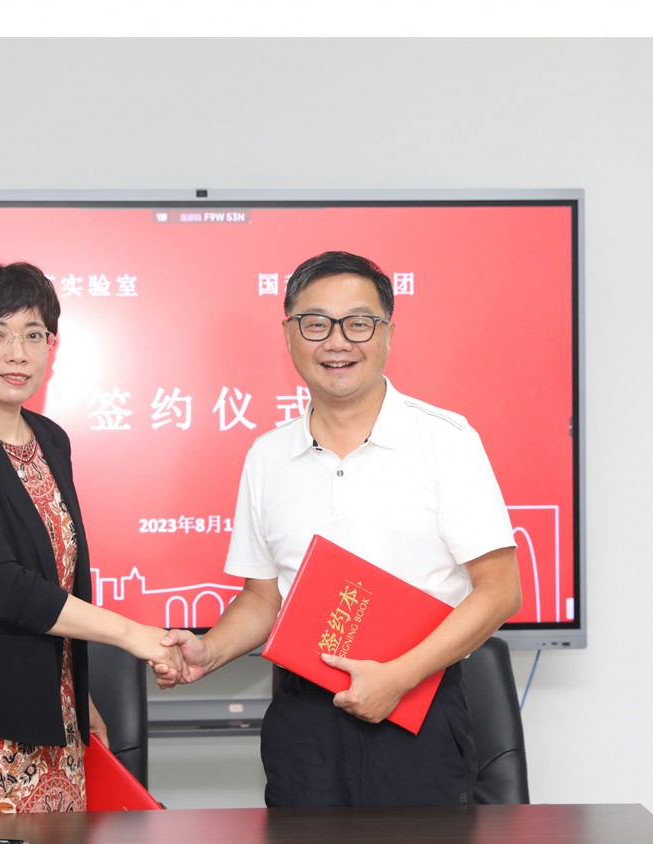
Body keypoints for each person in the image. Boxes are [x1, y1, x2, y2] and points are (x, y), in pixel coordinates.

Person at [157, 250, 520, 806]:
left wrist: (398, 677)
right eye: (316, 324)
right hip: (304, 722)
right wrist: (210, 651)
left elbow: (500, 591)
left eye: (358, 324)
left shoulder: (446, 441)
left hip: (418, 707)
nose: (337, 342)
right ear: (289, 335)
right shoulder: (267, 456)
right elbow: (263, 598)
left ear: (388, 334)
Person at [0, 260, 180, 815]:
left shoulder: (50, 439)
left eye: (33, 334)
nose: (18, 353)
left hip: (51, 724)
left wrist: (76, 697)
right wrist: (133, 635)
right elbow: (2, 586)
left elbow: (54, 581)